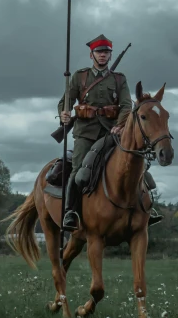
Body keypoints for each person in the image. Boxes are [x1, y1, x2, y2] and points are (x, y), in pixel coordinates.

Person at [59, 35, 163, 231]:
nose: (103, 55)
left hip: (111, 131)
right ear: (92, 55)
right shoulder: (79, 77)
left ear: (110, 55)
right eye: (99, 52)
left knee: (135, 162)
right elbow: (65, 101)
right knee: (78, 169)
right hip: (86, 133)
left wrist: (120, 124)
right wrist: (63, 114)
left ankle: (147, 209)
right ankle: (70, 212)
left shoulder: (119, 79)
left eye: (106, 52)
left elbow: (125, 105)